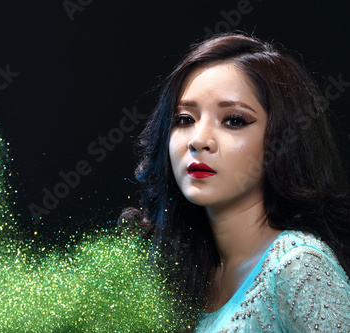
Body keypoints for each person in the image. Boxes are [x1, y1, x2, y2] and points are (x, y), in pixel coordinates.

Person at [119, 32, 350, 332]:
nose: (199, 140)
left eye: (234, 121)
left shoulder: (297, 265)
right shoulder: (182, 278)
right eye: (185, 119)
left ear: (283, 139)